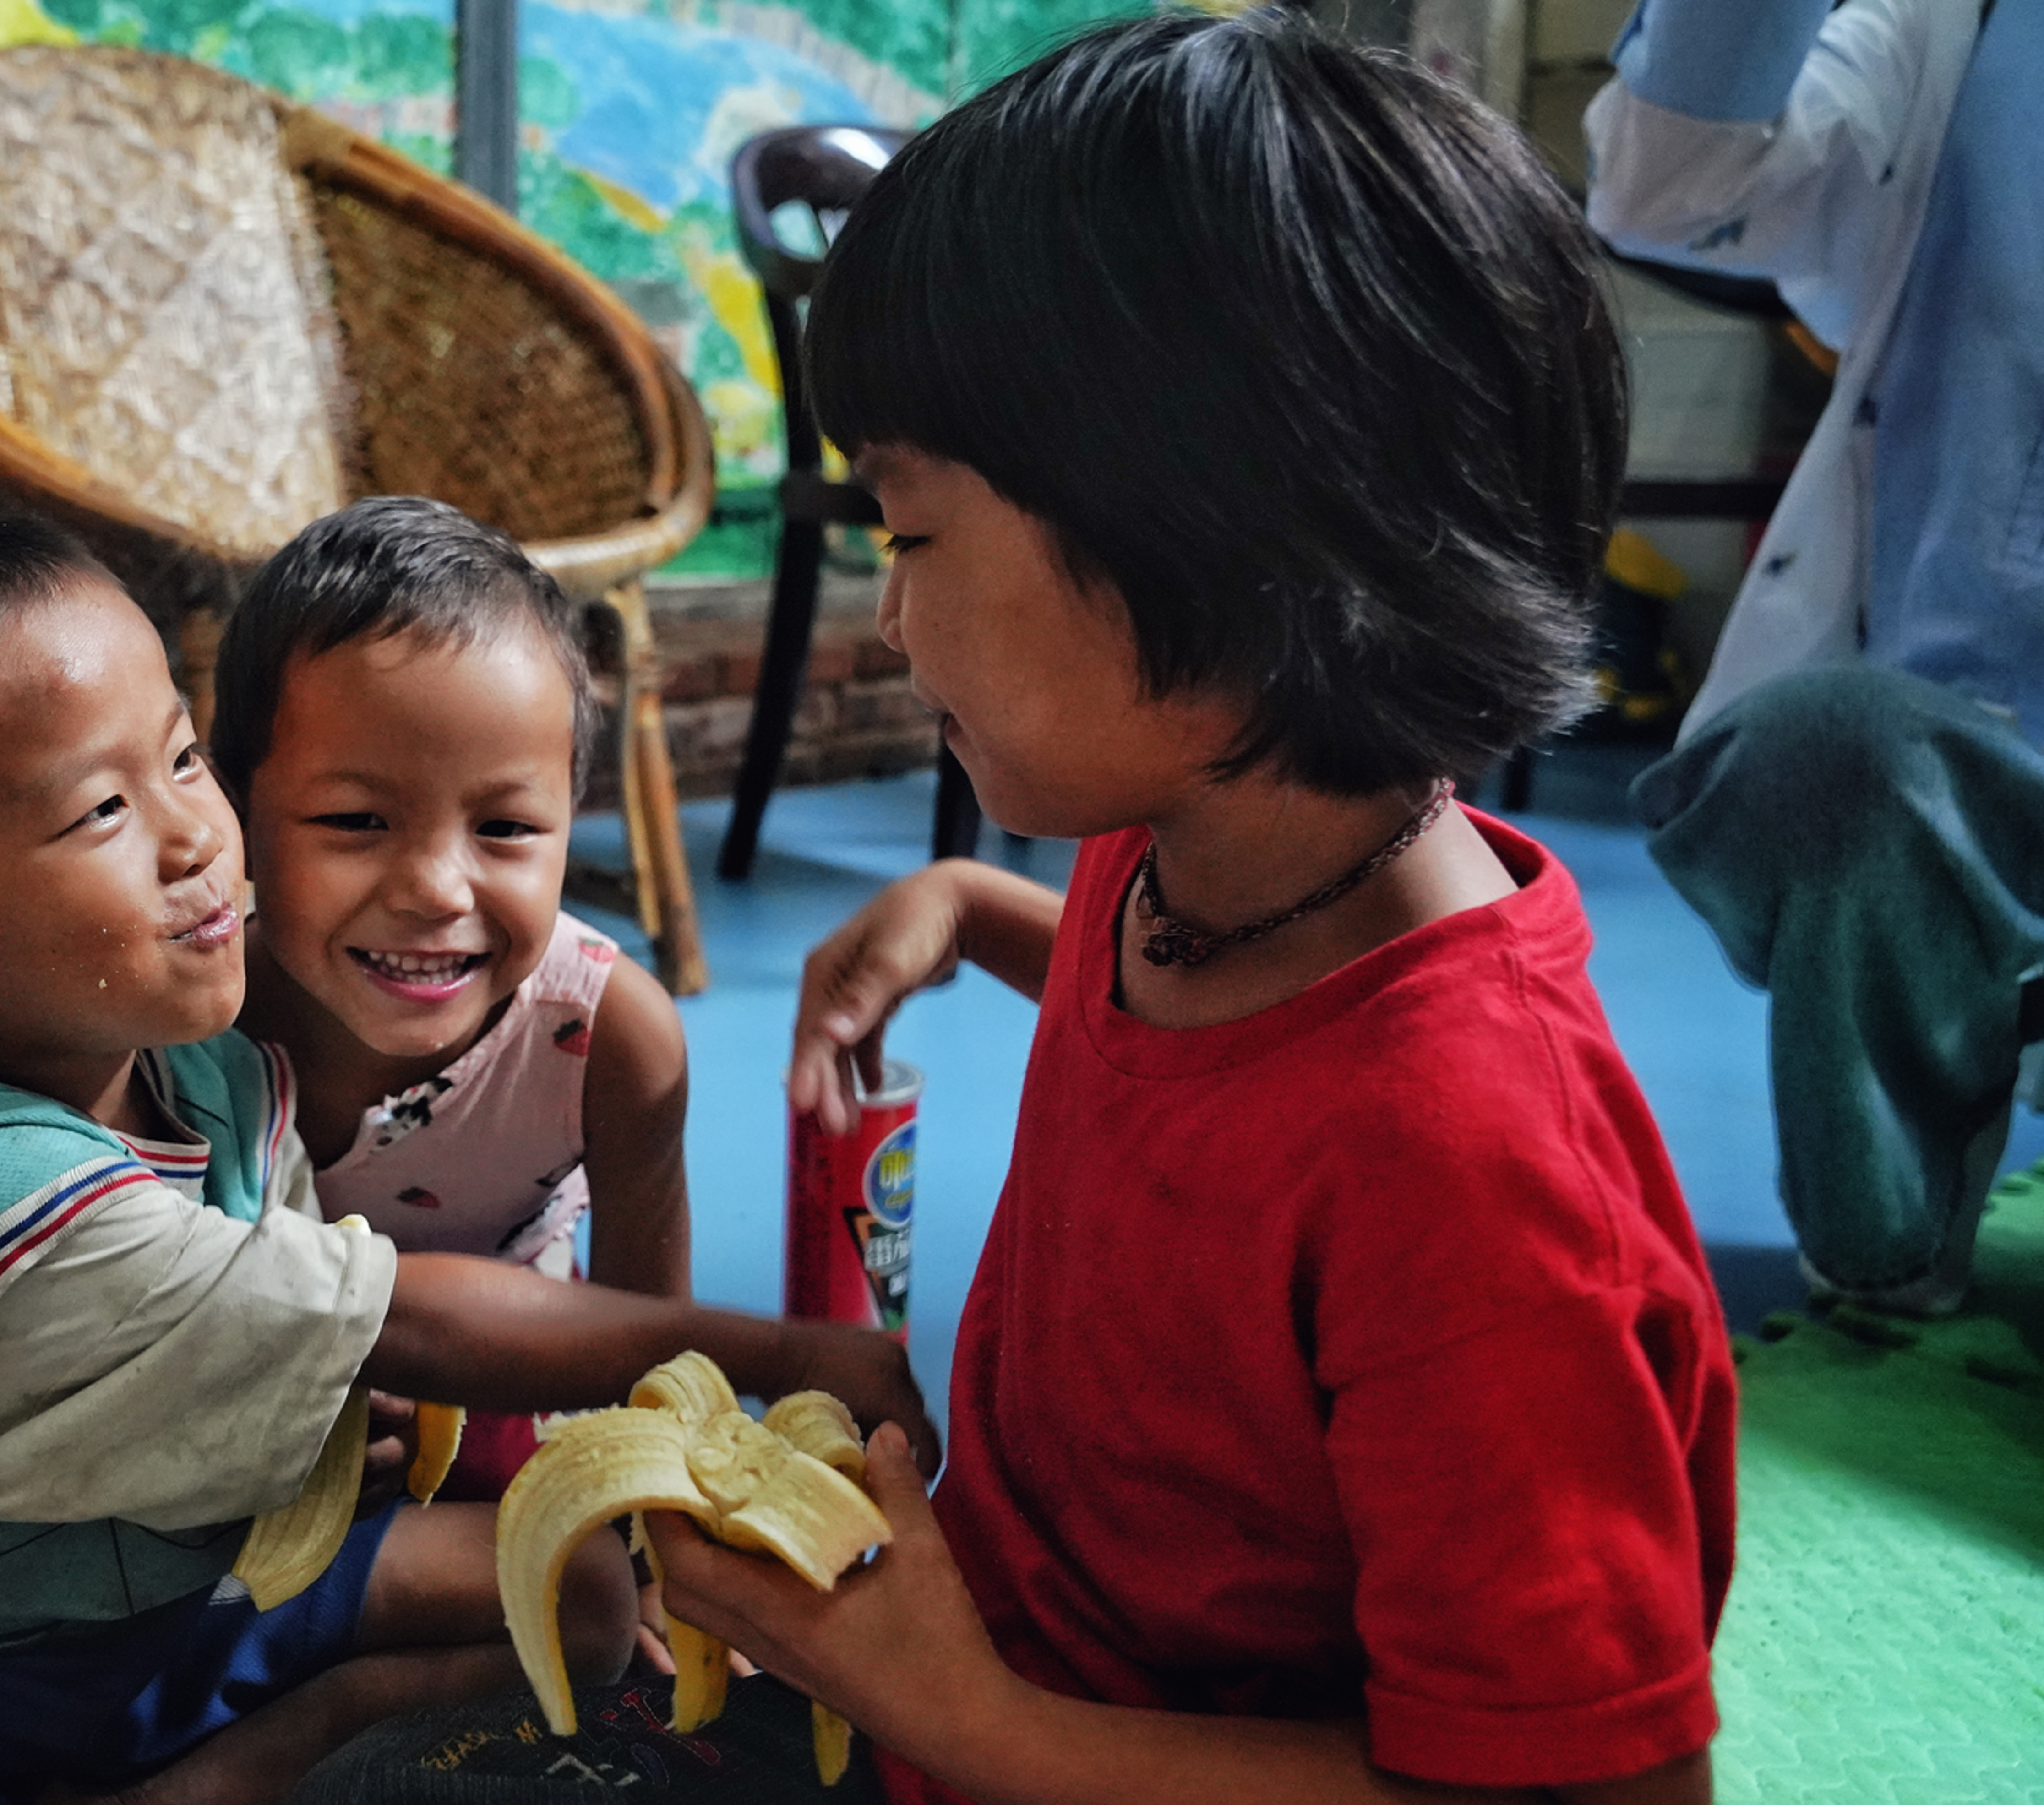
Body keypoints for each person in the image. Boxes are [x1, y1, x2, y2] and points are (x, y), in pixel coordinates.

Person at [293, 13, 1733, 1804]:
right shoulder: (1200, 851)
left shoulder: (1478, 1181)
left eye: (910, 535)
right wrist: (974, 908)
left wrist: (963, 1715)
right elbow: (1247, 1100)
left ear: (1207, 536)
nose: (892, 619)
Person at [0, 510, 932, 1805]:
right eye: (101, 809)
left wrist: (338, 1431)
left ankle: (215, 1778)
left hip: (192, 1603)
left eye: (182, 758)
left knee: (582, 1589)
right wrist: (783, 1347)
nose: (196, 834)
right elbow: (406, 1313)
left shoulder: (212, 1064)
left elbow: (294, 1328)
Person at [1584, 0, 2041, 1316]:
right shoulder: (1968, 31)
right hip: (1971, 781)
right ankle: (1885, 1248)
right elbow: (1669, 186)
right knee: (1827, 748)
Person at [214, 496, 692, 1505]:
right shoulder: (188, 1027)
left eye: (507, 829)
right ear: (235, 814)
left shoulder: (609, 1038)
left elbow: (656, 1361)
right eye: (356, 820)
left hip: (524, 1390)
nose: (437, 890)